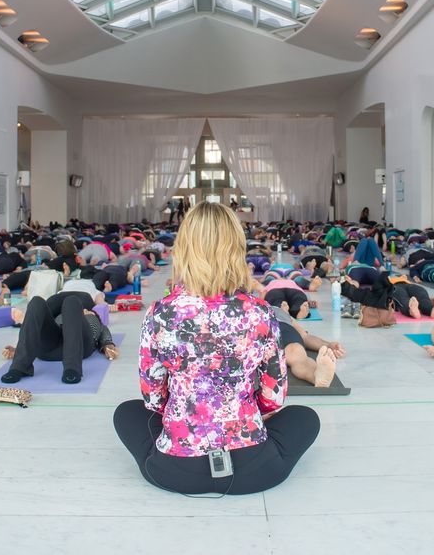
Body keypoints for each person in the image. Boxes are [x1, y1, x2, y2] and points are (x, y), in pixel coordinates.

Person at [114, 202, 319, 495]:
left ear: (184, 249)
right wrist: (243, 414)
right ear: (236, 249)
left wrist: (185, 416)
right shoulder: (260, 312)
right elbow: (275, 398)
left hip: (175, 470)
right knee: (305, 418)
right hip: (254, 468)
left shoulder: (160, 313)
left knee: (126, 413)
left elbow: (152, 397)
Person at [0, 290, 117, 384]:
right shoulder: (60, 315)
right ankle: (20, 366)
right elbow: (38, 328)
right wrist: (18, 349)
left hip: (79, 345)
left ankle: (72, 369)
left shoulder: (93, 318)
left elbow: (104, 330)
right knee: (36, 301)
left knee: (72, 301)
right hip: (52, 346)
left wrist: (107, 344)